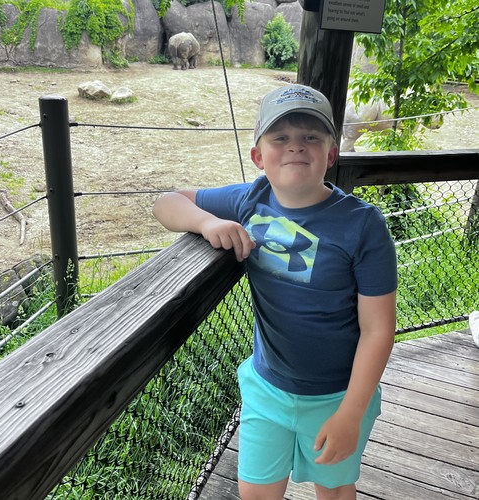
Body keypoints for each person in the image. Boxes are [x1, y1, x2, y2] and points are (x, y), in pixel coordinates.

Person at [153, 84, 397, 500]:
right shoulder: (251, 198)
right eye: (280, 137)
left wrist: (351, 413)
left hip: (339, 394)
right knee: (255, 491)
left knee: (335, 488)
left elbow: (378, 329)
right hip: (267, 387)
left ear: (331, 154)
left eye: (311, 137)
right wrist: (208, 223)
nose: (295, 146)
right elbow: (167, 202)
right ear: (258, 157)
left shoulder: (363, 225)